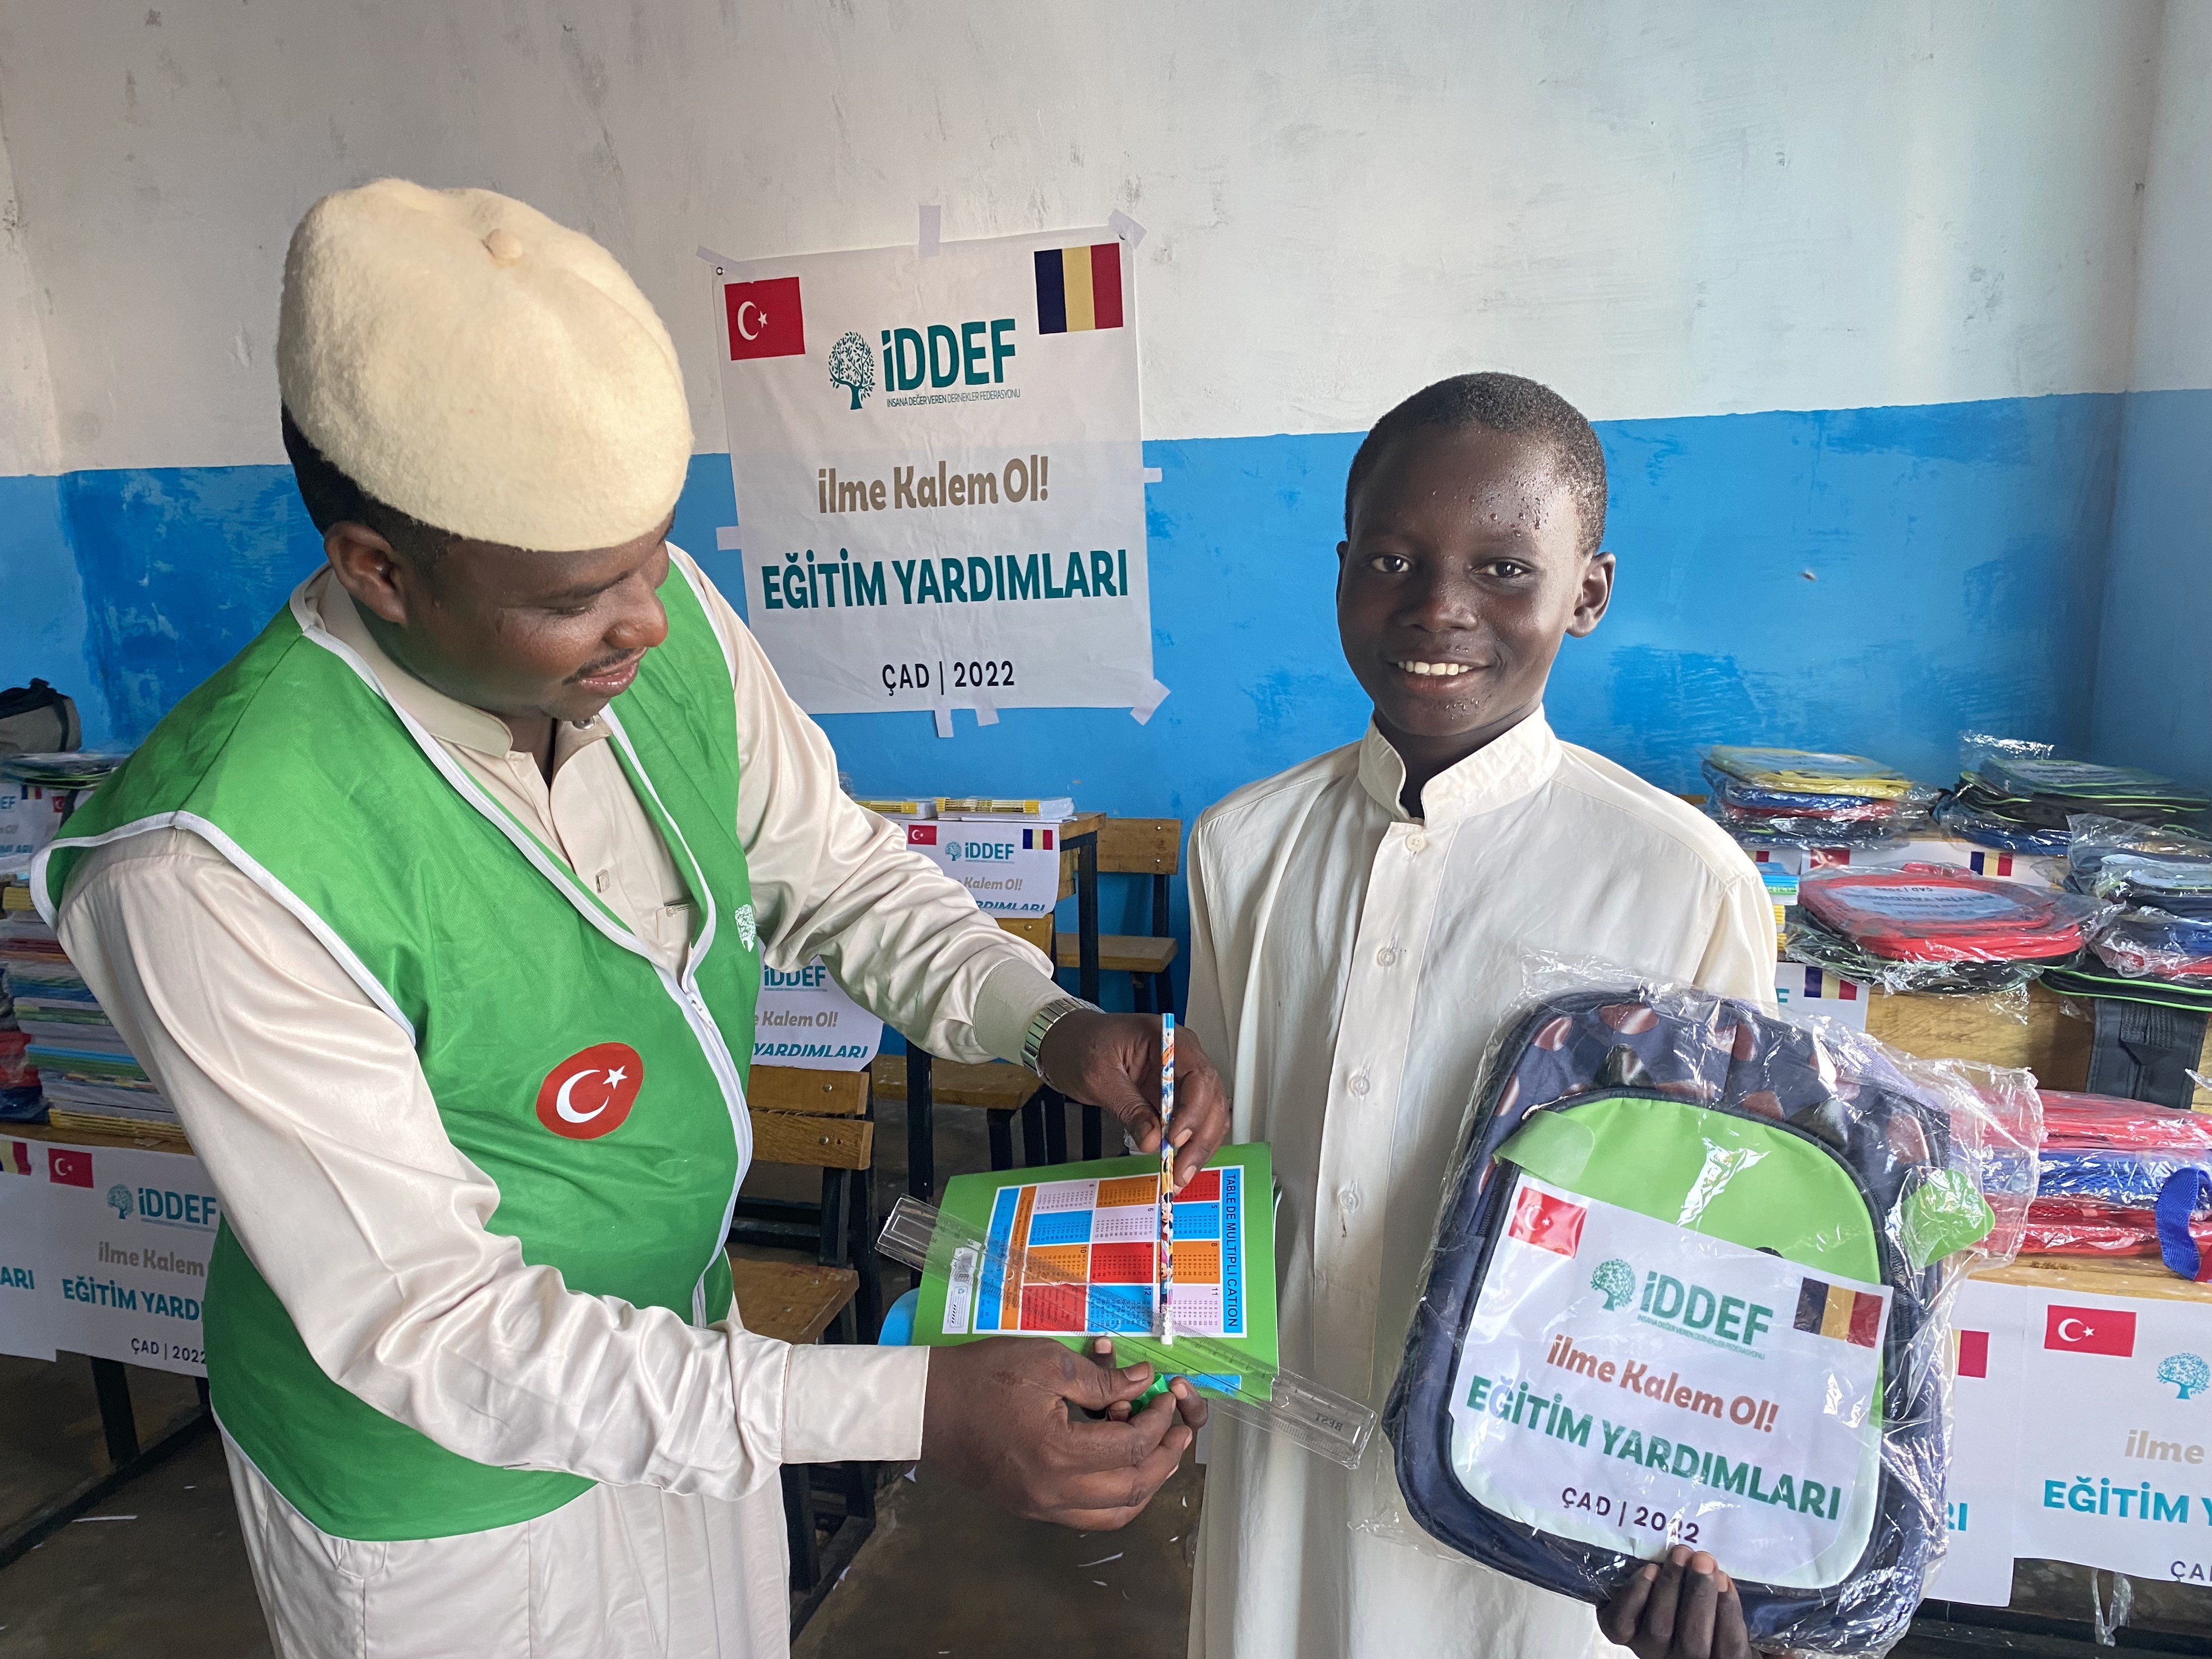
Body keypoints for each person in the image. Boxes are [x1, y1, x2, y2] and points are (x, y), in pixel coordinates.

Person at [34, 179, 1222, 1659]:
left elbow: (836, 871)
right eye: (580, 596)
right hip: (442, 1505)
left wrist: (1045, 1021)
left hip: (686, 1373)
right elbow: (435, 1327)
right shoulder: (211, 870)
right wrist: (907, 1402)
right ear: (379, 570)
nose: (649, 620)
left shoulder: (653, 633)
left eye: (651, 556)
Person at [1182, 373, 1777, 1659]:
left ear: (1589, 592)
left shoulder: (1682, 881)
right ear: (1343, 571)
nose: (1439, 606)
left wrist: (1699, 1523)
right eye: (1392, 559)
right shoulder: (1243, 846)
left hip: (1535, 1518)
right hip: (1285, 1476)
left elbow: (1729, 1245)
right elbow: (1220, 1172)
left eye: (1505, 568)